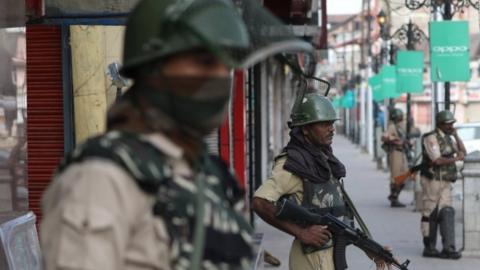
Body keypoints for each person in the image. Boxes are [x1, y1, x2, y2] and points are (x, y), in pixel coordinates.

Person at [39, 0, 312, 269]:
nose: (219, 78)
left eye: (224, 66)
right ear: (153, 69)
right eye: (203, 62)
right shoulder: (101, 179)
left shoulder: (206, 171)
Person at [252, 93, 390, 270]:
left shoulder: (323, 159)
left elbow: (339, 219)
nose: (331, 129)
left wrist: (369, 248)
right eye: (324, 124)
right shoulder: (293, 163)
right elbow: (259, 202)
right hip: (311, 260)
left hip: (329, 257)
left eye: (332, 123)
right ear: (305, 129)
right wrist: (301, 232)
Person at [420, 110, 465, 259]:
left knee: (447, 212)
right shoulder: (430, 138)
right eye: (448, 124)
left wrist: (456, 135)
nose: (451, 126)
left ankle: (449, 248)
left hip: (445, 181)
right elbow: (436, 160)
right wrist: (455, 159)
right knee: (430, 213)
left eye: (452, 124)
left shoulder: (449, 138)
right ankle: (429, 247)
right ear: (440, 124)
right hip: (432, 181)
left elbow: (463, 152)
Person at [381, 108, 409, 207]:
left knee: (404, 175)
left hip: (401, 152)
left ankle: (394, 196)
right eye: (400, 116)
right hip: (395, 152)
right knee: (396, 176)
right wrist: (396, 140)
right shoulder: (392, 126)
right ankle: (394, 198)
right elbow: (384, 137)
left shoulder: (399, 126)